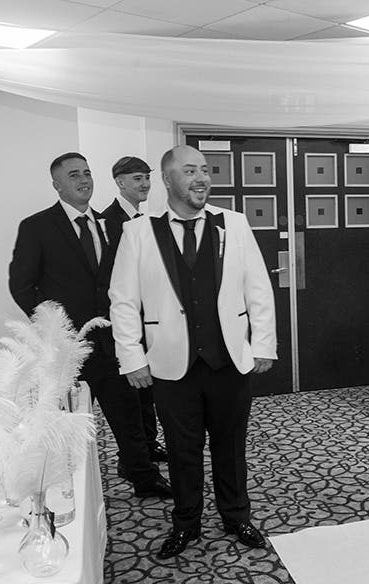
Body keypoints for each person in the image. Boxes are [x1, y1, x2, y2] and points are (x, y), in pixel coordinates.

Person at [108, 145, 277, 559]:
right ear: (167, 180)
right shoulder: (139, 232)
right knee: (182, 452)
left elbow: (258, 289)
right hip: (169, 363)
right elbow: (123, 301)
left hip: (229, 359)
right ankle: (186, 524)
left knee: (230, 446)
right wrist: (132, 357)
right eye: (190, 171)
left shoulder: (233, 225)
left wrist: (263, 344)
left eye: (205, 170)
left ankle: (236, 516)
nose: (201, 178)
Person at [8, 152, 172, 500]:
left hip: (112, 343)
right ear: (57, 185)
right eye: (73, 175)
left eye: (86, 173)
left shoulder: (111, 224)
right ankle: (65, 485)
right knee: (68, 421)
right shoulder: (36, 226)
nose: (83, 179)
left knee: (129, 416)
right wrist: (54, 326)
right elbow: (21, 285)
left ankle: (143, 477)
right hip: (70, 348)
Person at [100, 156, 168, 466]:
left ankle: (150, 445)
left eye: (147, 178)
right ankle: (137, 457)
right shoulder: (107, 222)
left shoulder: (145, 219)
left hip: (148, 317)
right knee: (133, 391)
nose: (144, 184)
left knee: (146, 390)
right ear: (120, 182)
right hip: (126, 318)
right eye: (137, 179)